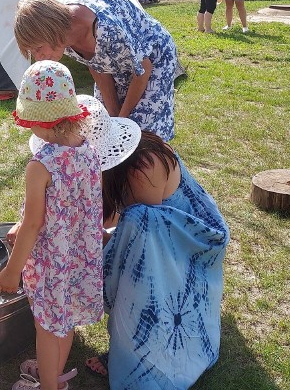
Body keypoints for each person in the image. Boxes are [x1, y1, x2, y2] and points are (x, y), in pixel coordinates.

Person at [72, 96, 230, 390]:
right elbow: (105, 217)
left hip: (192, 239)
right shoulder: (115, 172)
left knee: (134, 254)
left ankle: (142, 357)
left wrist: (92, 243)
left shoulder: (142, 167)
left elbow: (144, 239)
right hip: (155, 234)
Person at [0, 60, 103, 390]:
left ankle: (48, 386)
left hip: (51, 263)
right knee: (65, 320)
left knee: (46, 328)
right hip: (79, 257)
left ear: (41, 122)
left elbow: (33, 224)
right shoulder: (88, 151)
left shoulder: (40, 164)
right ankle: (53, 372)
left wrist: (12, 270)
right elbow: (70, 206)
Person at [14, 0, 178, 142]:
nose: (38, 58)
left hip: (153, 57)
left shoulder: (104, 28)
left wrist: (123, 120)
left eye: (38, 48)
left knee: (144, 133)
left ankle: (168, 169)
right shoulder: (62, 35)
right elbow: (96, 64)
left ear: (51, 30)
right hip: (121, 58)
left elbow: (143, 70)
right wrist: (113, 117)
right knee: (102, 123)